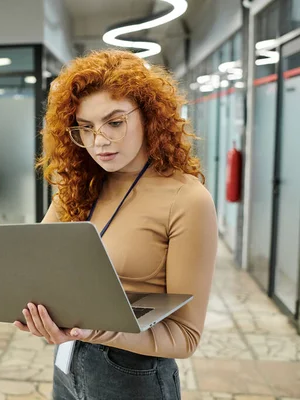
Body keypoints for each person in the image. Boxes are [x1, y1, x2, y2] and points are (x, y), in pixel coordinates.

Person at [14, 50, 218, 400]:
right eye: (86, 128)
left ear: (149, 116)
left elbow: (185, 337)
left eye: (114, 123)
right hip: (68, 363)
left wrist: (98, 331)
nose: (99, 142)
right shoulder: (79, 187)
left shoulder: (187, 200)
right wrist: (39, 311)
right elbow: (39, 266)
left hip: (134, 374)